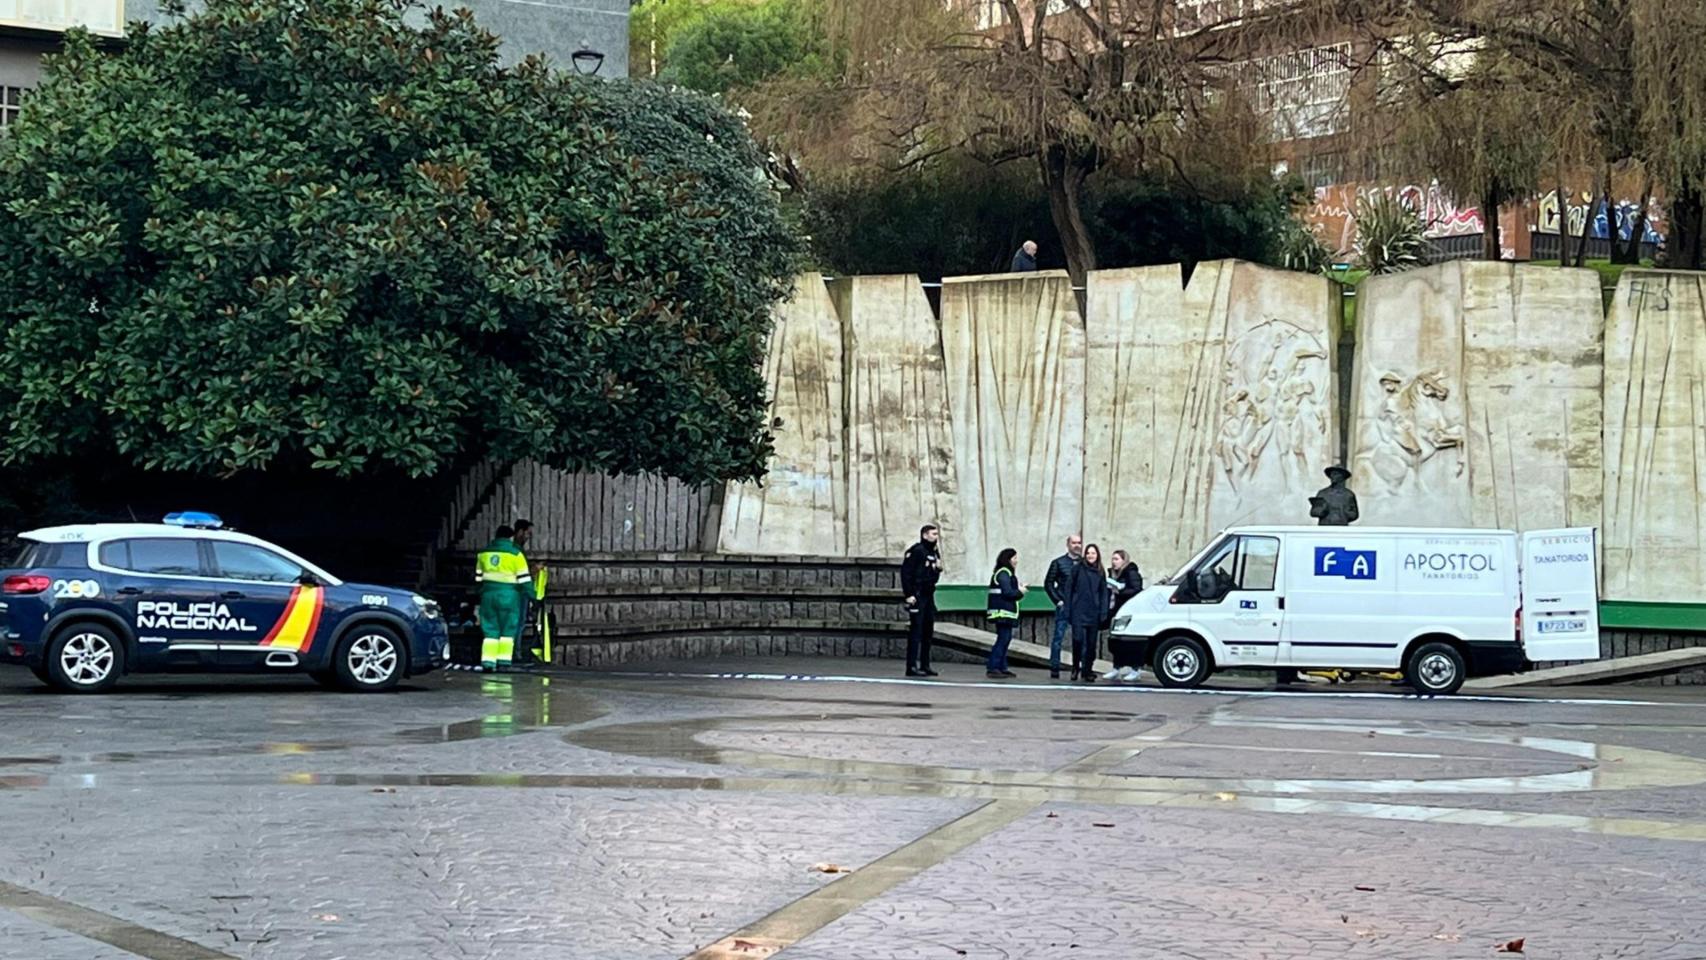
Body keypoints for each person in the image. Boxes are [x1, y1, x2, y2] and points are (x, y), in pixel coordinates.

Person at [475, 524, 532, 673]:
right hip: (510, 597)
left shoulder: (483, 554)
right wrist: (533, 596)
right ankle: (504, 662)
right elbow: (524, 580)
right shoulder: (516, 554)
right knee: (508, 629)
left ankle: (488, 662)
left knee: (490, 630)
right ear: (511, 537)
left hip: (488, 596)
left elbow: (478, 578)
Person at [1060, 543, 1110, 683]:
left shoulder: (1100, 571)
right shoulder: (1077, 569)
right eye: (1088, 553)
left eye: (1093, 553)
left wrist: (1103, 611)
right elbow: (1068, 589)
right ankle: (1076, 667)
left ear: (1097, 555)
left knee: (1091, 644)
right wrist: (1068, 608)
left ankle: (1088, 670)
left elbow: (1103, 593)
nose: (1090, 556)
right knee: (1078, 640)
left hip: (1093, 612)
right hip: (1078, 610)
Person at [900, 524, 943, 678]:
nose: (936, 537)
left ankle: (925, 665)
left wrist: (937, 569)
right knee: (916, 631)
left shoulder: (934, 552)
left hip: (928, 594)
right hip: (917, 594)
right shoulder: (917, 551)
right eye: (933, 534)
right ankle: (911, 666)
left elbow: (933, 576)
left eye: (937, 534)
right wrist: (909, 594)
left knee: (928, 631)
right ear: (925, 535)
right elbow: (906, 573)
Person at [1043, 534, 1084, 679]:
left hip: (1080, 607)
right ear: (1068, 544)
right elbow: (1048, 583)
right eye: (1074, 543)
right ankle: (1054, 667)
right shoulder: (1058, 563)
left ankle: (1081, 668)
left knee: (1081, 639)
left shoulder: (1084, 563)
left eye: (1079, 542)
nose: (1077, 545)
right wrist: (1057, 600)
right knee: (1058, 638)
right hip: (1064, 606)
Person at [1102, 550, 1145, 681]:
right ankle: (1116, 668)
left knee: (1129, 642)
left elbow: (1137, 591)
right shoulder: (1113, 574)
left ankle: (1135, 669)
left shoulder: (1131, 573)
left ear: (1123, 560)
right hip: (1115, 610)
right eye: (1112, 559)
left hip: (1128, 612)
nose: (1113, 562)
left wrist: (1121, 590)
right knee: (1116, 641)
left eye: (1116, 559)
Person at [984, 547, 1025, 679]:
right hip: (1002, 612)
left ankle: (1002, 666)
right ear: (1008, 559)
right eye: (1014, 558)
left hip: (1005, 612)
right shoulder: (1003, 573)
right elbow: (1007, 593)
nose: (1016, 561)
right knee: (1003, 639)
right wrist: (1020, 592)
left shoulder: (1005, 573)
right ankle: (993, 667)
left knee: (1005, 639)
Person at [510, 519, 541, 669]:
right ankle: (515, 654)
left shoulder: (514, 550)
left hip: (511, 592)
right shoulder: (516, 551)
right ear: (520, 532)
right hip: (518, 592)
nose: (529, 537)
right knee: (518, 624)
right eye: (528, 533)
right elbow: (521, 575)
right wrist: (534, 571)